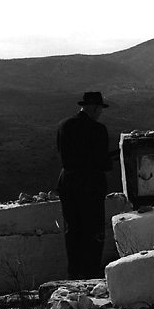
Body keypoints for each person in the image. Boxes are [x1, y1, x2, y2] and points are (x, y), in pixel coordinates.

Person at [56, 92, 114, 279]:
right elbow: (102, 162)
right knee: (93, 229)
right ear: (94, 108)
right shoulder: (98, 129)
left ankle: (74, 273)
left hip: (67, 181)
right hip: (90, 183)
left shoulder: (63, 125)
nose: (100, 113)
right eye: (99, 110)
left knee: (72, 229)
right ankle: (90, 273)